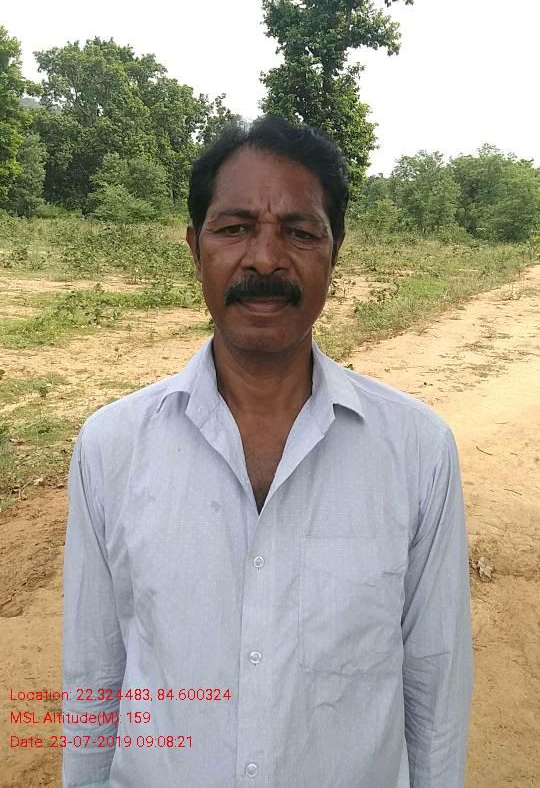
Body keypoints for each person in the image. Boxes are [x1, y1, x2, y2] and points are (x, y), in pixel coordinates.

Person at [63, 114, 473, 788]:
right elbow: (93, 673)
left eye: (300, 232)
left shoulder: (417, 452)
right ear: (195, 246)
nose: (263, 259)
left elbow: (435, 679)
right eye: (234, 227)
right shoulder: (112, 447)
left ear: (335, 251)